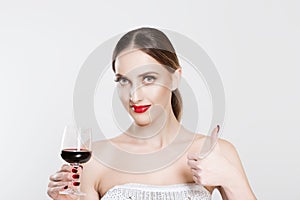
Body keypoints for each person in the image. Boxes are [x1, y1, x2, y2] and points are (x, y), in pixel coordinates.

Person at [47, 27, 256, 200]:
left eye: (148, 78)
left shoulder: (215, 153)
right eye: (123, 80)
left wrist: (231, 179)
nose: (134, 96)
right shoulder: (95, 160)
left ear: (175, 78)